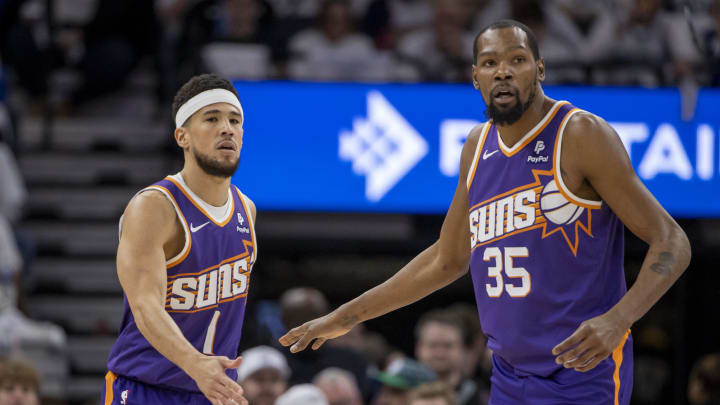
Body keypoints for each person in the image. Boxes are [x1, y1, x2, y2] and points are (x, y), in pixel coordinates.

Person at [280, 19, 691, 405]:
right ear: (475, 76)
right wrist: (344, 316)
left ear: (540, 69)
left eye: (517, 60)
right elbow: (446, 259)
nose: (504, 72)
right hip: (509, 376)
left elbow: (671, 241)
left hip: (581, 371)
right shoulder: (477, 146)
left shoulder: (580, 133)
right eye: (491, 63)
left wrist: (618, 320)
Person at [102, 73, 257, 405]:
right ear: (182, 136)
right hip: (146, 387)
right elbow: (145, 305)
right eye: (212, 118)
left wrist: (210, 375)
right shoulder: (155, 206)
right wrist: (195, 364)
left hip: (212, 390)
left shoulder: (247, 210)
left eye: (235, 120)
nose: (227, 128)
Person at [414, 310, 484, 405]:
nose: (440, 353)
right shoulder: (398, 391)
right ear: (419, 347)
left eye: (448, 345)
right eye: (433, 345)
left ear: (462, 348)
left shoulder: (482, 396)